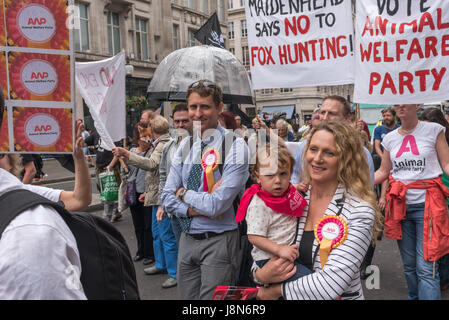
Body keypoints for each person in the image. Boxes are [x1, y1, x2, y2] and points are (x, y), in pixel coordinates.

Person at [255, 121, 380, 300]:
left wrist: (274, 291)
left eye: (329, 152)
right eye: (313, 149)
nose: (317, 158)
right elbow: (262, 250)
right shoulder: (293, 199)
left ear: (345, 159)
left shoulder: (359, 211)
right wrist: (260, 275)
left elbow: (330, 285)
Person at [160, 79, 249, 300]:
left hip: (219, 241)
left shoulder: (235, 146)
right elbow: (165, 197)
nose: (197, 113)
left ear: (219, 108)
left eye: (205, 106)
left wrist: (182, 193)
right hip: (186, 238)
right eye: (193, 107)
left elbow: (216, 205)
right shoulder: (185, 145)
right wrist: (191, 209)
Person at [0, 108, 91, 299]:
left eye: (2, 154)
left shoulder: (29, 228)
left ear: (10, 160)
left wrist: (78, 157)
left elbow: (79, 199)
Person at [374, 104, 449, 300]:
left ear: (417, 104)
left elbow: (447, 163)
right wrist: (352, 182)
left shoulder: (434, 130)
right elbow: (384, 171)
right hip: (400, 207)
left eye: (405, 100)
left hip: (428, 206)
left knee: (426, 266)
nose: (400, 105)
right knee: (408, 265)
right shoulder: (389, 138)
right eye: (396, 102)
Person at [113, 115, 175, 288]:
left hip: (161, 197)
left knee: (166, 235)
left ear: (153, 130)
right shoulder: (160, 143)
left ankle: (174, 272)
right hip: (155, 195)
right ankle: (162, 264)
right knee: (157, 232)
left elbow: (151, 165)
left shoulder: (163, 144)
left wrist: (127, 154)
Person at [236, 143, 310, 283]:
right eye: (270, 175)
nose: (277, 181)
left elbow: (286, 185)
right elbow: (254, 237)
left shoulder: (286, 192)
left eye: (283, 174)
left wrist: (296, 186)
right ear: (258, 177)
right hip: (270, 260)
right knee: (309, 281)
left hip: (286, 255)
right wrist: (280, 249)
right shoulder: (260, 205)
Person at [291, 95, 375, 186]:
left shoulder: (360, 153)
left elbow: (366, 189)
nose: (325, 118)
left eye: (332, 113)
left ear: (347, 118)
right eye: (323, 112)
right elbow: (295, 176)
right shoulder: (304, 146)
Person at [158, 103, 192, 245]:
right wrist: (161, 204)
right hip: (174, 209)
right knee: (181, 251)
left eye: (185, 121)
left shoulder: (201, 144)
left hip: (193, 209)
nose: (180, 125)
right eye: (177, 121)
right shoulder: (169, 146)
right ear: (173, 123)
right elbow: (163, 175)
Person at [123, 122, 155, 267]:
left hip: (146, 191)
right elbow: (127, 171)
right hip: (133, 190)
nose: (146, 139)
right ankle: (140, 250)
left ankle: (149, 253)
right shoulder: (132, 151)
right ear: (138, 137)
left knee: (148, 225)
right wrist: (124, 162)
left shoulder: (153, 152)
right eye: (143, 136)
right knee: (138, 225)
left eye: (149, 136)